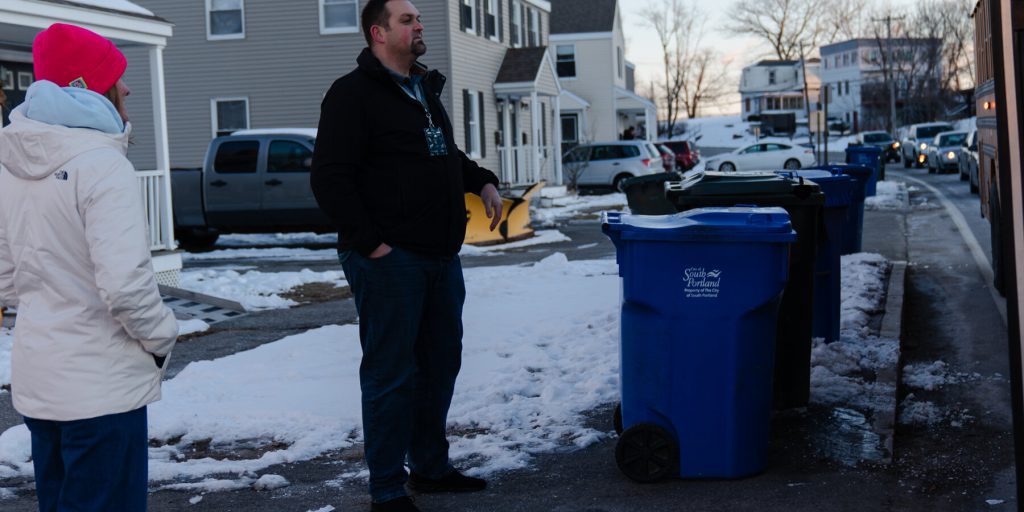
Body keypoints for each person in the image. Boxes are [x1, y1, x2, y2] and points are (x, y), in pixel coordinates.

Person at [310, 1, 503, 511]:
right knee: (391, 374)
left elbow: (443, 156)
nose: (420, 26)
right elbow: (329, 178)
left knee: (439, 366)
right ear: (378, 32)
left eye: (419, 19)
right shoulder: (352, 95)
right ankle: (388, 490)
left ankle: (431, 469)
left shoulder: (423, 90)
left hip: (440, 257)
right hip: (390, 261)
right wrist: (372, 243)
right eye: (407, 20)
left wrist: (480, 180)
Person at [0, 23, 178, 511]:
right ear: (86, 86)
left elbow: (5, 279)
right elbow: (125, 287)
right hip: (102, 390)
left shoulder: (8, 163)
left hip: (41, 384)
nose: (127, 86)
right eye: (116, 76)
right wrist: (162, 337)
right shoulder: (102, 165)